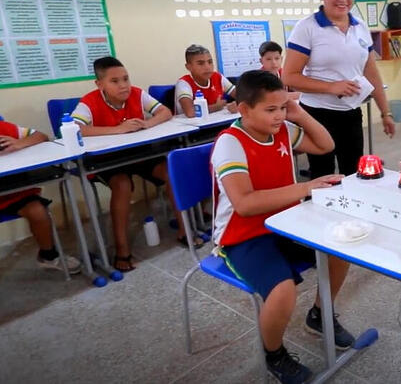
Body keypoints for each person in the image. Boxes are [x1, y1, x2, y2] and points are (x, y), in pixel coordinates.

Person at [211, 70, 355, 384]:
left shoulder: (282, 131)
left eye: (282, 108)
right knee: (282, 291)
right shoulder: (230, 143)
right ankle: (273, 353)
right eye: (271, 109)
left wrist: (299, 112)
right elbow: (245, 204)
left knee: (340, 247)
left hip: (286, 221)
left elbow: (326, 144)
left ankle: (319, 314)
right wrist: (306, 188)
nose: (279, 116)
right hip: (243, 233)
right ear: (244, 109)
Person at [71, 56, 198, 272]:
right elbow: (74, 129)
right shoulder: (89, 101)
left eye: (126, 79)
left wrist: (148, 123)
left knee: (171, 171)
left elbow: (164, 112)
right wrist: (117, 129)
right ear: (99, 84)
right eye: (115, 81)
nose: (123, 85)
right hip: (109, 160)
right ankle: (122, 249)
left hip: (139, 154)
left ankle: (185, 230)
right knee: (122, 186)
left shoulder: (137, 94)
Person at [283, 0, 395, 179]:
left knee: (354, 172)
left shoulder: (360, 26)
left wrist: (385, 112)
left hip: (351, 112)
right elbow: (289, 77)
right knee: (323, 175)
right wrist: (331, 87)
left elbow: (371, 73)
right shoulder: (307, 28)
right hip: (317, 114)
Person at [0, 121, 82, 274]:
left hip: (13, 191)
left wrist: (19, 143)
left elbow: (41, 136)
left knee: (38, 211)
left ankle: (48, 256)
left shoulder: (4, 128)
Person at [174, 44, 238, 117]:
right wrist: (216, 107)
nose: (207, 67)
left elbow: (244, 97)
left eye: (210, 62)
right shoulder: (183, 83)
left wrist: (238, 104)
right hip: (192, 126)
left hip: (215, 121)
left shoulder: (218, 77)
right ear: (188, 67)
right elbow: (190, 112)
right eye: (200, 63)